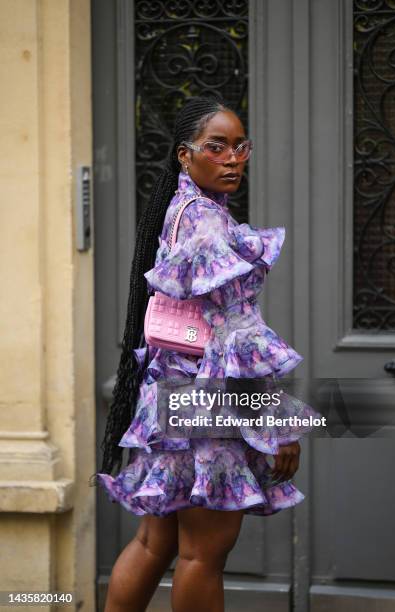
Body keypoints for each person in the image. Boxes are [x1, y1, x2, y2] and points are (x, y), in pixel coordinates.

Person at [90, 95, 318, 612]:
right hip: (205, 408)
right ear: (185, 155)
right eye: (217, 147)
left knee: (157, 543)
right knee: (202, 555)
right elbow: (236, 334)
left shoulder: (183, 211)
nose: (233, 158)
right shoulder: (208, 225)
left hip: (170, 401)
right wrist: (277, 425)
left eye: (241, 146)